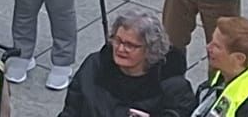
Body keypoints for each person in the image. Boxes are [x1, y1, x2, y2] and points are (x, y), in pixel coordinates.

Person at [58, 10, 197, 117]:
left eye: (130, 45)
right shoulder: (95, 66)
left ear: (150, 49)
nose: (120, 49)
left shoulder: (173, 87)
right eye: (117, 40)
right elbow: (71, 110)